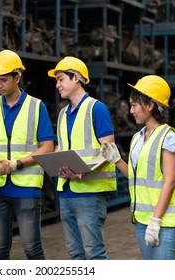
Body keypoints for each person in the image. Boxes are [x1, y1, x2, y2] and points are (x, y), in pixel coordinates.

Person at [0, 49, 54, 260]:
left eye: (4, 80)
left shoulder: (36, 107)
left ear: (17, 77)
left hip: (26, 188)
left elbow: (47, 147)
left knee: (32, 249)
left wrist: (16, 164)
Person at [99, 75, 175, 260]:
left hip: (163, 221)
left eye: (134, 105)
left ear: (150, 105)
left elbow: (170, 181)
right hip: (141, 220)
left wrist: (155, 221)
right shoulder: (137, 137)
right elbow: (135, 176)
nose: (131, 111)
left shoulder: (168, 136)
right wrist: (116, 160)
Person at [47, 56, 117, 260]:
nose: (57, 85)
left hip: (89, 193)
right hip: (67, 192)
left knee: (94, 253)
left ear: (75, 77)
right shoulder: (62, 114)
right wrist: (54, 163)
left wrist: (84, 169)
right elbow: (61, 147)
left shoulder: (97, 109)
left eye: (61, 79)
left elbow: (108, 149)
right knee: (75, 253)